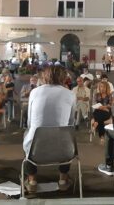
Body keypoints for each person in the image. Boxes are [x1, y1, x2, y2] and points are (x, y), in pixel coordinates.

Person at [22, 65, 76, 193]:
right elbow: (71, 122)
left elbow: (30, 121)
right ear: (64, 78)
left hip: (36, 149)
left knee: (28, 134)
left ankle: (32, 180)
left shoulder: (35, 92)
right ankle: (63, 179)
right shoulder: (70, 94)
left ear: (45, 76)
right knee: (66, 137)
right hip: (63, 150)